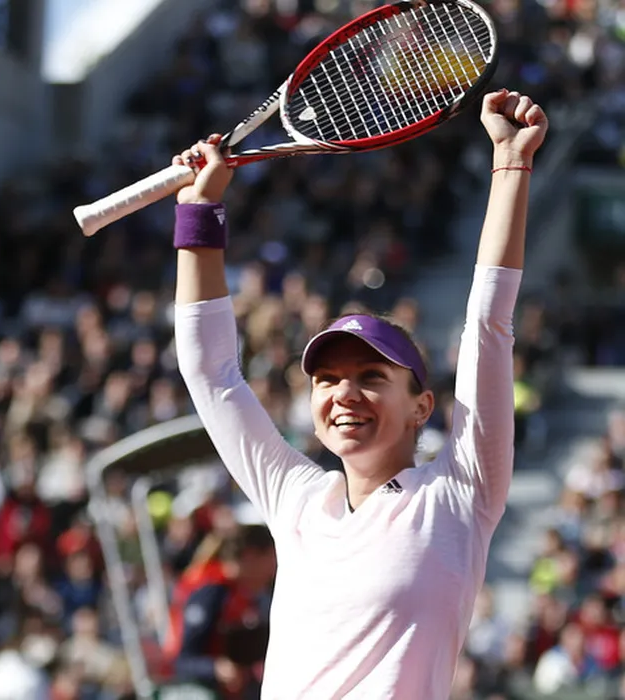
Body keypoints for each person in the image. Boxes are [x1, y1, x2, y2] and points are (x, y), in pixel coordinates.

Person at [171, 88, 548, 699]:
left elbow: (489, 324)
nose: (345, 392)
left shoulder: (459, 492)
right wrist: (199, 211)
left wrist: (511, 165)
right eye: (327, 379)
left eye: (371, 377)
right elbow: (211, 372)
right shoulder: (295, 499)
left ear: (422, 407)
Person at [164, 524, 275, 698]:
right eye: (272, 559)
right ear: (251, 556)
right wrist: (217, 668)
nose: (274, 570)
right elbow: (182, 660)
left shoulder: (242, 591)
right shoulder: (210, 590)